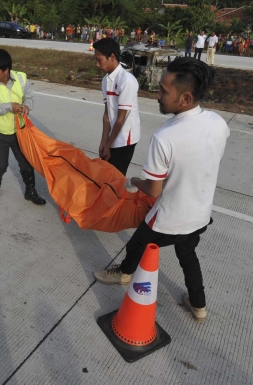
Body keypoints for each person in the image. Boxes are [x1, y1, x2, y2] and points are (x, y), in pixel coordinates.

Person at [94, 58, 229, 323]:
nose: (157, 96)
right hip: (200, 214)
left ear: (185, 97)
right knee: (188, 255)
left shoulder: (166, 136)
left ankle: (124, 273)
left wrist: (133, 180)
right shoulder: (218, 123)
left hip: (170, 216)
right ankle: (198, 305)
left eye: (164, 91)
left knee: (137, 243)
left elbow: (153, 191)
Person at [0, 49, 46, 205]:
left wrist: (27, 106)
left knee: (26, 162)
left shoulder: (21, 78)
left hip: (20, 131)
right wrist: (10, 106)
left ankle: (31, 191)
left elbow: (29, 97)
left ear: (6, 70)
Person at [93, 38, 141, 176]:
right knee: (106, 177)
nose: (96, 64)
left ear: (112, 56)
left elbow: (121, 118)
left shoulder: (127, 81)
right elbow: (107, 115)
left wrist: (108, 145)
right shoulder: (105, 80)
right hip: (112, 137)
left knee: (116, 179)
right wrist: (103, 142)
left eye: (99, 60)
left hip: (125, 138)